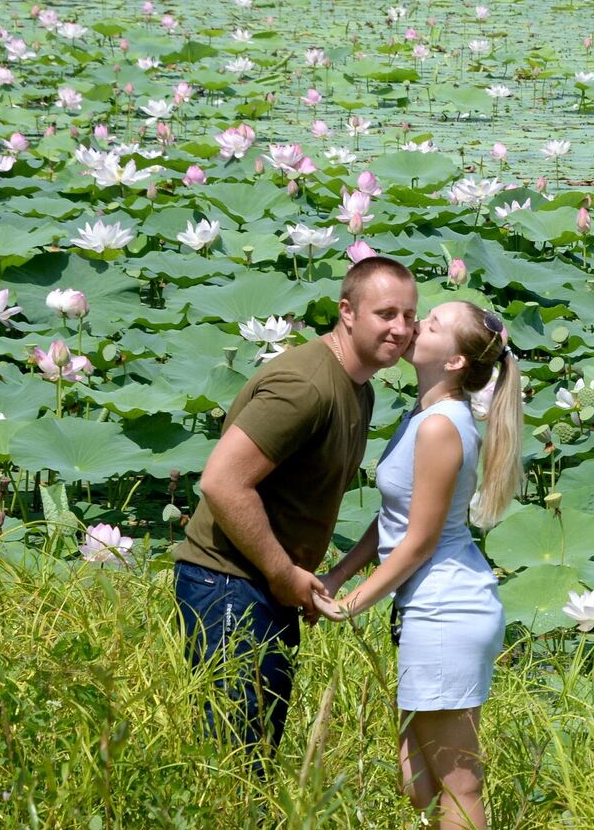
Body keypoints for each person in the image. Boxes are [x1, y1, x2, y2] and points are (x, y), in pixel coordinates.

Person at [318, 300, 527, 830]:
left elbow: (419, 542)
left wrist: (355, 603)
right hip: (435, 607)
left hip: (444, 610)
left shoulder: (440, 426)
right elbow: (393, 522)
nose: (414, 327)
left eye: (431, 324)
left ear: (457, 360)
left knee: (459, 788)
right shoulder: (423, 414)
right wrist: (338, 574)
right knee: (420, 780)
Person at [172, 257, 417, 769]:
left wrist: (301, 576)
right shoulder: (306, 387)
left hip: (267, 583)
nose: (401, 329)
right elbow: (221, 481)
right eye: (386, 313)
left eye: (410, 317)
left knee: (255, 751)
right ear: (346, 311)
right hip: (230, 581)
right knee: (233, 760)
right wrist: (283, 572)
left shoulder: (359, 388)